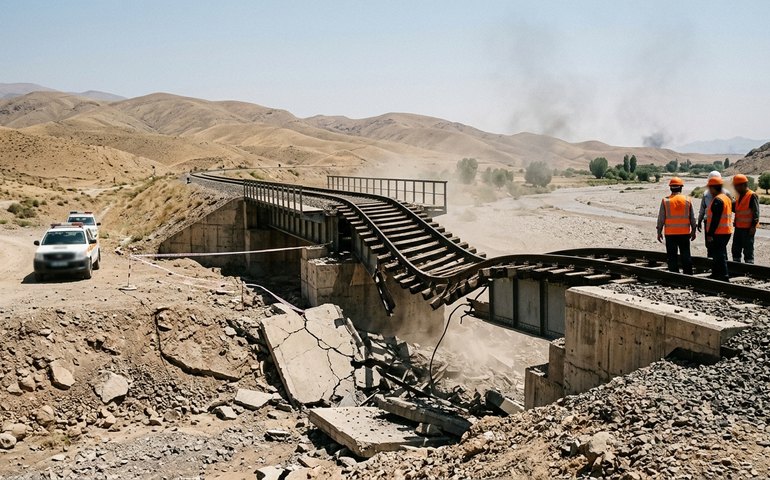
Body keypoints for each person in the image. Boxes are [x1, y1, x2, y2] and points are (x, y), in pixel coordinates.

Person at [657, 177, 696, 274]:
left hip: (670, 234)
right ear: (681, 188)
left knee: (672, 256)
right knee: (686, 254)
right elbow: (692, 218)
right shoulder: (687, 200)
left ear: (670, 188)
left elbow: (661, 218)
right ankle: (688, 274)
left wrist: (659, 232)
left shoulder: (665, 201)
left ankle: (674, 274)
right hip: (684, 233)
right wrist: (693, 231)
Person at [705, 176, 733, 281]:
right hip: (726, 230)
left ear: (713, 188)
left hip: (719, 232)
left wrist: (710, 234)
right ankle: (715, 274)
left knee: (719, 254)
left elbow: (715, 220)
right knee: (717, 254)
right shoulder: (726, 197)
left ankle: (724, 276)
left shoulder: (718, 200)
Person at [731, 174, 760, 263]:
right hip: (739, 228)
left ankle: (749, 269)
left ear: (743, 185)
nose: (735, 188)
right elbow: (737, 209)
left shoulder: (752, 195)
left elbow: (756, 213)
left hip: (748, 229)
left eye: (736, 186)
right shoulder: (739, 196)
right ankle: (737, 269)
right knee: (735, 249)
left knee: (748, 250)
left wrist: (753, 227)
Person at [697, 171, 725, 257]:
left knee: (711, 246)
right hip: (722, 224)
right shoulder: (726, 193)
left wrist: (699, 221)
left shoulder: (706, 194)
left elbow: (702, 209)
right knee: (721, 247)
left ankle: (712, 265)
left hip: (710, 223)